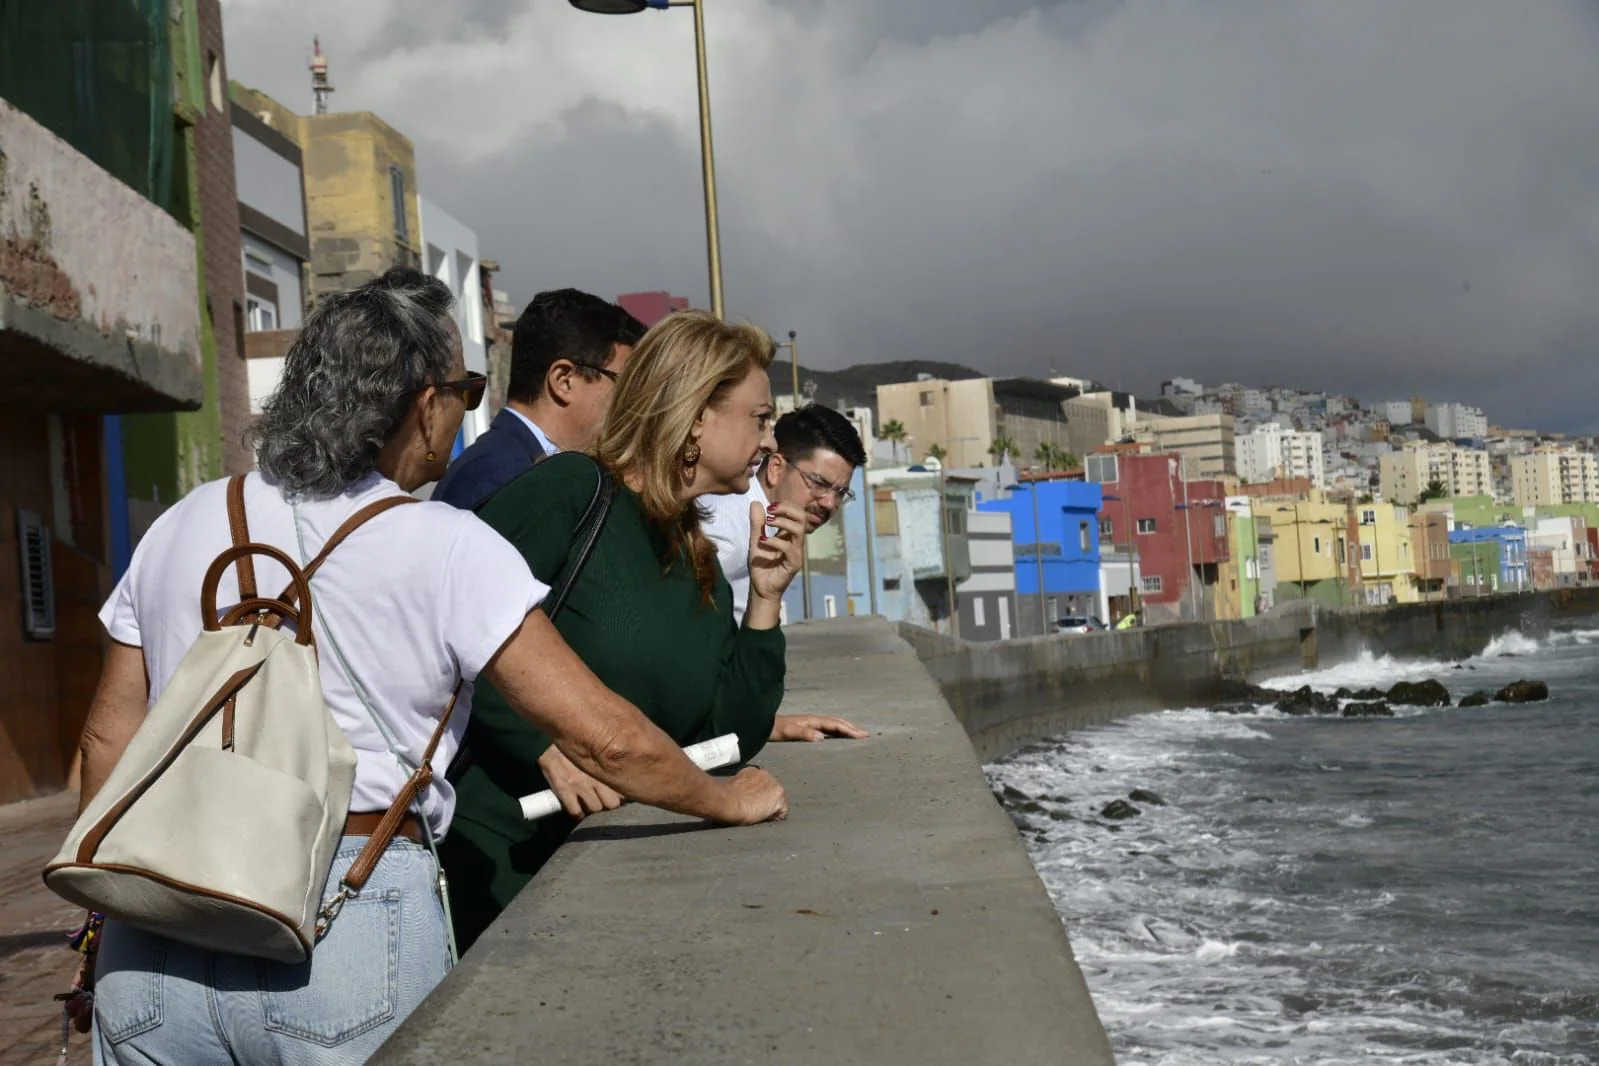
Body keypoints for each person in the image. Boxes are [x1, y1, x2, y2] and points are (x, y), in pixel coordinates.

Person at [76, 271, 786, 1065]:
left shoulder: (183, 523)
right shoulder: (446, 545)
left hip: (152, 929)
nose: (467, 412)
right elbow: (608, 741)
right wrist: (722, 802)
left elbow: (106, 742)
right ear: (423, 404)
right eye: (465, 389)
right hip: (339, 919)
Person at [440, 311, 853, 952]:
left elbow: (726, 740)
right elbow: (446, 625)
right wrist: (540, 741)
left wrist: (766, 602)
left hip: (595, 892)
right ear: (694, 415)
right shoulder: (572, 493)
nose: (772, 444)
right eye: (759, 418)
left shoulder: (693, 552)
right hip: (490, 872)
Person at [430, 288, 644, 511]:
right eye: (623, 383)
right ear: (564, 381)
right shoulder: (497, 477)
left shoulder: (531, 466)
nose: (631, 402)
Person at [702, 404, 870, 626]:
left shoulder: (766, 524)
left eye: (841, 493)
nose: (829, 503)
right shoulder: (729, 532)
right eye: (819, 483)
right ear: (776, 468)